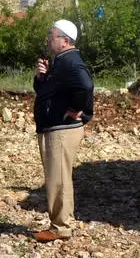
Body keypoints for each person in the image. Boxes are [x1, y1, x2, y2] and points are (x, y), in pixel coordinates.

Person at [32, 19, 94, 243]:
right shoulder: (61, 61)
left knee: (58, 178)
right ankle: (61, 222)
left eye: (52, 35)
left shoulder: (70, 61)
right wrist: (42, 78)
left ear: (65, 41)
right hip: (56, 127)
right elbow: (50, 92)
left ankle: (60, 226)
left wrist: (78, 109)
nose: (48, 39)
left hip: (61, 130)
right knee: (59, 177)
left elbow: (85, 86)